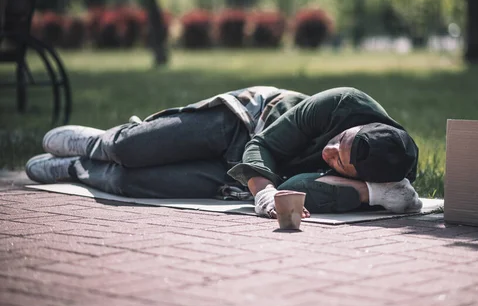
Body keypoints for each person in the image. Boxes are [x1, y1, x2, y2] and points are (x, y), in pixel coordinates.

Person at [26, 86, 423, 218]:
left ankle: (77, 168)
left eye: (339, 161)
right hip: (242, 124)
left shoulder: (386, 180)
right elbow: (263, 144)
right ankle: (99, 143)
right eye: (341, 139)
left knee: (131, 182)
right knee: (130, 149)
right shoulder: (342, 103)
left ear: (360, 176)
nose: (330, 152)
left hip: (244, 176)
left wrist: (372, 194)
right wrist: (265, 192)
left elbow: (300, 187)